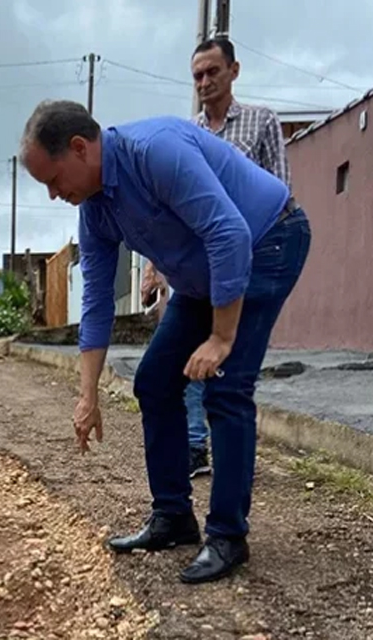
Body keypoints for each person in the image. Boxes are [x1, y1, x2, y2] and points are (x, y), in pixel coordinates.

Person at [19, 100, 310, 584]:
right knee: (154, 380)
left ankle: (227, 537)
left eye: (52, 180)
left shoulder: (156, 151)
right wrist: (87, 395)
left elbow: (229, 233)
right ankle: (174, 517)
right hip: (203, 277)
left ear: (79, 148)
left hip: (268, 240)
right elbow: (95, 300)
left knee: (227, 386)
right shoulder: (94, 209)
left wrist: (221, 337)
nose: (53, 195)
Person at [141, 36, 295, 479]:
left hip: (246, 258)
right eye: (197, 76)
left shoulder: (261, 122)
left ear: (234, 71)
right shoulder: (185, 133)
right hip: (194, 268)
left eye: (212, 72)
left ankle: (229, 493)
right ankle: (193, 445)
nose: (204, 82)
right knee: (186, 357)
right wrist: (154, 269)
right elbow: (169, 212)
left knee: (229, 377)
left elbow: (277, 193)